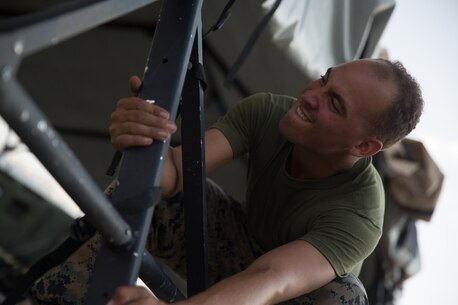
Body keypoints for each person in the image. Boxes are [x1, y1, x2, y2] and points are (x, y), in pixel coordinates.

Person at [31, 58, 424, 305]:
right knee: (143, 193)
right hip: (232, 245)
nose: (311, 95)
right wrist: (145, 139)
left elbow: (273, 279)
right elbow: (174, 174)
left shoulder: (362, 211)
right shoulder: (269, 112)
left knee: (345, 298)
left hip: (285, 295)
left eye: (335, 103)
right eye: (323, 80)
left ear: (364, 145)